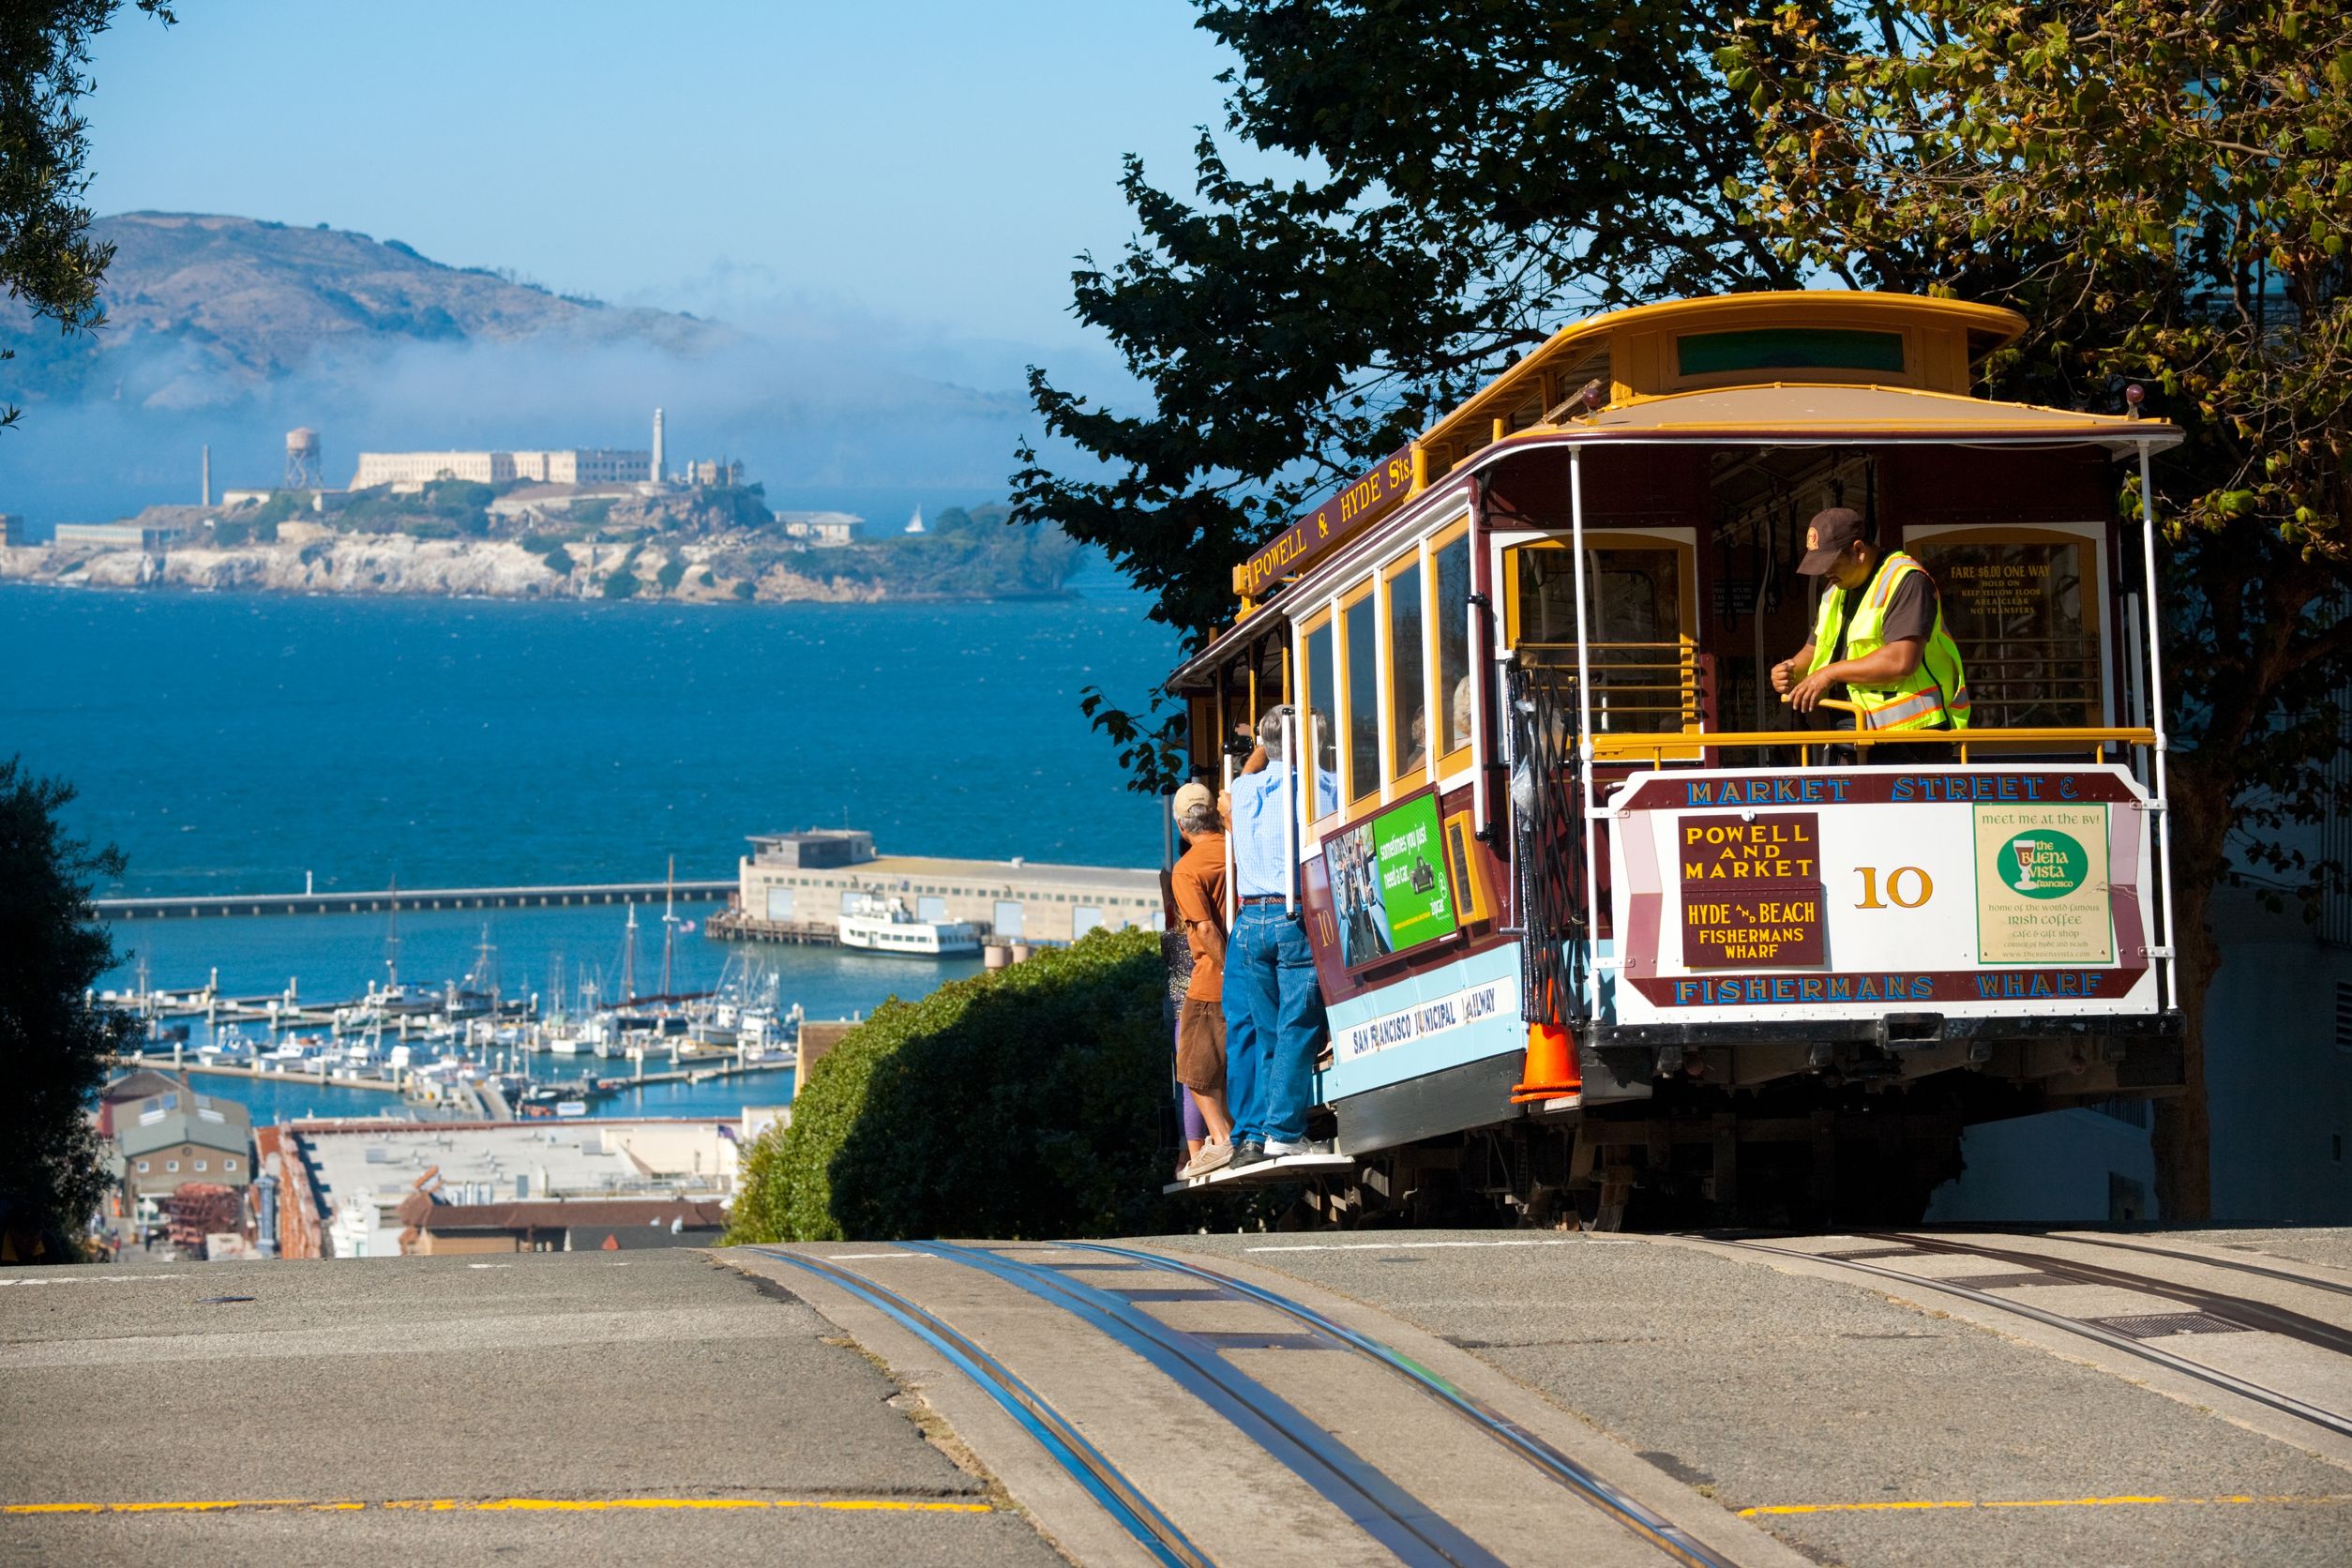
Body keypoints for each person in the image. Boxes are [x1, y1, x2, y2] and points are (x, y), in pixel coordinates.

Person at [1221, 705, 1332, 1170]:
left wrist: (1262, 749)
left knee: (1268, 1029)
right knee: (1298, 1025)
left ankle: (1259, 1134)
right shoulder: (1320, 786)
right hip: (1292, 917)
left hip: (1248, 922)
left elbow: (1233, 791)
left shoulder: (1242, 792)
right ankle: (1284, 1132)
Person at [1771, 506, 1970, 763]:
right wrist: (1791, 669)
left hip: (1911, 739)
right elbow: (1815, 648)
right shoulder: (1834, 590)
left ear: (1859, 551)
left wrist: (1829, 674)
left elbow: (1901, 660)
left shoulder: (1906, 580)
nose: (1825, 572)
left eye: (1830, 563)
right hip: (1853, 733)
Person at [1168, 781, 1235, 1178]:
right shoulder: (1234, 848)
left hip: (1213, 977)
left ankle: (1221, 1139)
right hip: (1255, 961)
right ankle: (1227, 1135)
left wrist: (1228, 971)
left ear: (1181, 825)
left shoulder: (1187, 868)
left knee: (1193, 1068)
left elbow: (1206, 929)